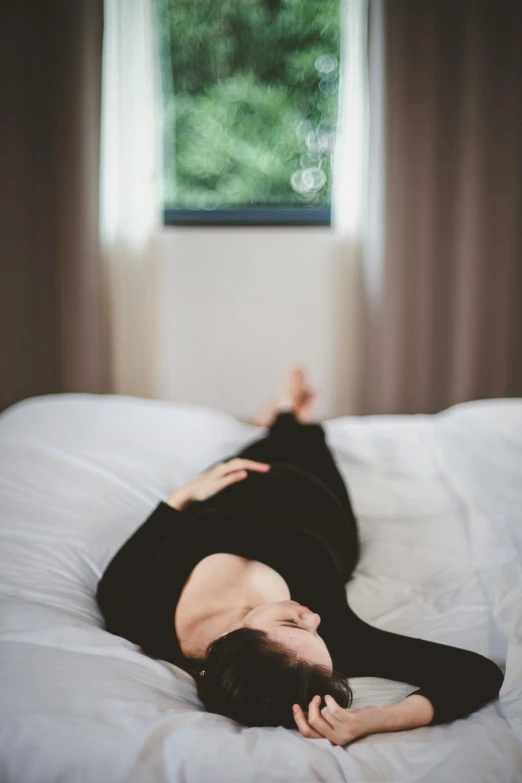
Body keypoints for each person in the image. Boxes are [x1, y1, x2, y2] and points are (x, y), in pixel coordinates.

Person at [96, 367, 504, 746]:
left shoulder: (138, 615)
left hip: (236, 480)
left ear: (229, 639)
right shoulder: (327, 644)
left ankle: (281, 419)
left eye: (293, 622)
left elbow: (117, 577)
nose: (316, 618)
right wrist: (376, 719)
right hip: (318, 500)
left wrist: (185, 495)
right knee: (310, 437)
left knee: (274, 444)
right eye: (311, 630)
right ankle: (289, 416)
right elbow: (476, 673)